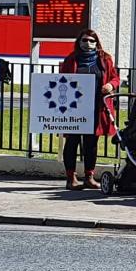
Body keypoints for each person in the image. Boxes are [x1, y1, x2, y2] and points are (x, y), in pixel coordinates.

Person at [59, 29, 120, 190]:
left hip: (96, 107)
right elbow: (61, 79)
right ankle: (71, 177)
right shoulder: (71, 59)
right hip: (74, 107)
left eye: (91, 41)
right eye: (84, 40)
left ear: (97, 43)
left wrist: (110, 85)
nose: (88, 44)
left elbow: (115, 77)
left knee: (91, 143)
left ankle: (89, 177)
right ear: (79, 42)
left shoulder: (105, 59)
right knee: (71, 141)